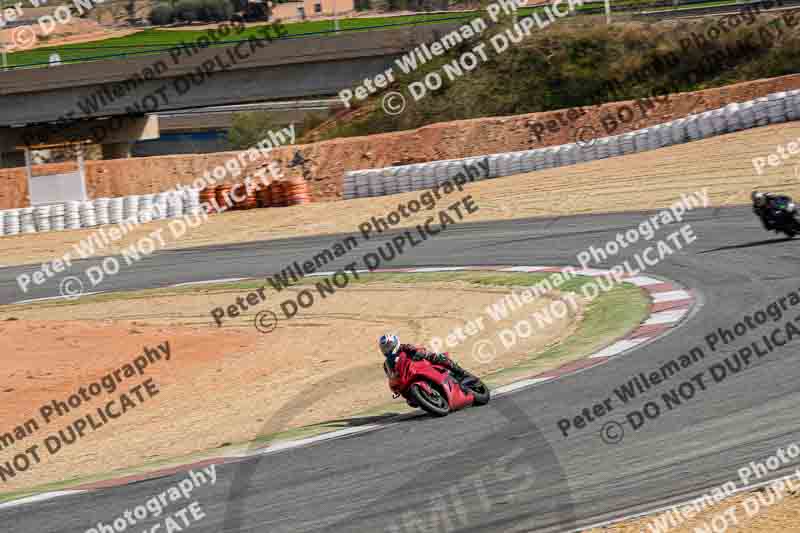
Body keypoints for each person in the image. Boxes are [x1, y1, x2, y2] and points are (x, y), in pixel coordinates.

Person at [379, 334, 468, 379]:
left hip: (420, 365)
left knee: (435, 357)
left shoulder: (404, 347)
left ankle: (460, 371)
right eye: (385, 347)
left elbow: (415, 349)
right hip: (408, 377)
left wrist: (419, 352)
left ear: (395, 342)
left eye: (389, 346)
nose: (388, 349)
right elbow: (390, 376)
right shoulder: (387, 363)